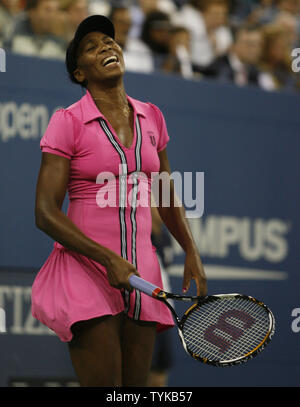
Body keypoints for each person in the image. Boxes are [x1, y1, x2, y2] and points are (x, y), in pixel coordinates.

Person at [31, 15, 207, 387]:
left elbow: (164, 191)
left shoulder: (151, 116)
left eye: (109, 42)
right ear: (80, 74)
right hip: (86, 269)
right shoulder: (68, 121)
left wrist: (189, 248)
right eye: (92, 48)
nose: (106, 47)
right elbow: (45, 213)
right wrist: (108, 258)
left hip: (141, 271)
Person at [172, 0, 233, 70]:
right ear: (203, 13)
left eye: (223, 15)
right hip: (190, 65)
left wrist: (215, 46)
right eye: (216, 14)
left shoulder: (224, 32)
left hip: (211, 70)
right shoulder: (190, 24)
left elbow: (224, 57)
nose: (219, 18)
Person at [109, 4, 154, 73]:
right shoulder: (101, 47)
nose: (125, 27)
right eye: (121, 22)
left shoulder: (142, 49)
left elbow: (148, 76)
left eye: (128, 23)